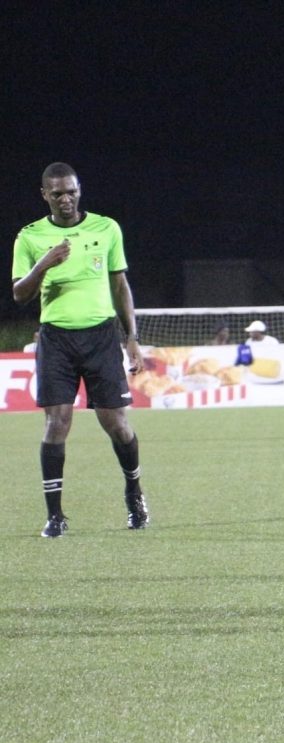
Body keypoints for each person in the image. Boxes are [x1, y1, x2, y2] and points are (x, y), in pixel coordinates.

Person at [11, 162, 149, 536]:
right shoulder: (29, 237)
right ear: (45, 195)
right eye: (57, 194)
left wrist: (131, 337)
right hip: (56, 338)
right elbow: (20, 294)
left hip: (102, 337)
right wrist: (44, 263)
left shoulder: (106, 228)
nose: (65, 198)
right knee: (57, 423)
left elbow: (120, 285)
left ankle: (134, 491)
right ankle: (55, 516)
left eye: (71, 191)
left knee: (116, 424)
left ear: (79, 189)